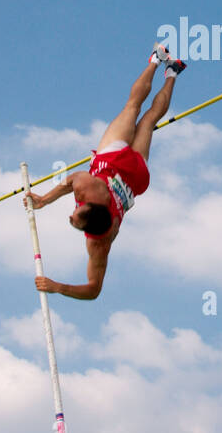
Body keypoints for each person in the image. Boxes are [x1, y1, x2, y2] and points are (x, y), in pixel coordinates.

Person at [24, 44, 185, 300]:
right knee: (133, 108)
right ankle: (156, 59)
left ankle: (173, 72)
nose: (71, 215)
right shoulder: (89, 191)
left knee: (149, 120)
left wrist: (58, 287)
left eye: (74, 214)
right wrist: (44, 200)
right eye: (76, 215)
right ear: (89, 204)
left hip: (136, 177)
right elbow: (70, 181)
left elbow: (94, 289)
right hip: (116, 159)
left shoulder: (102, 242)